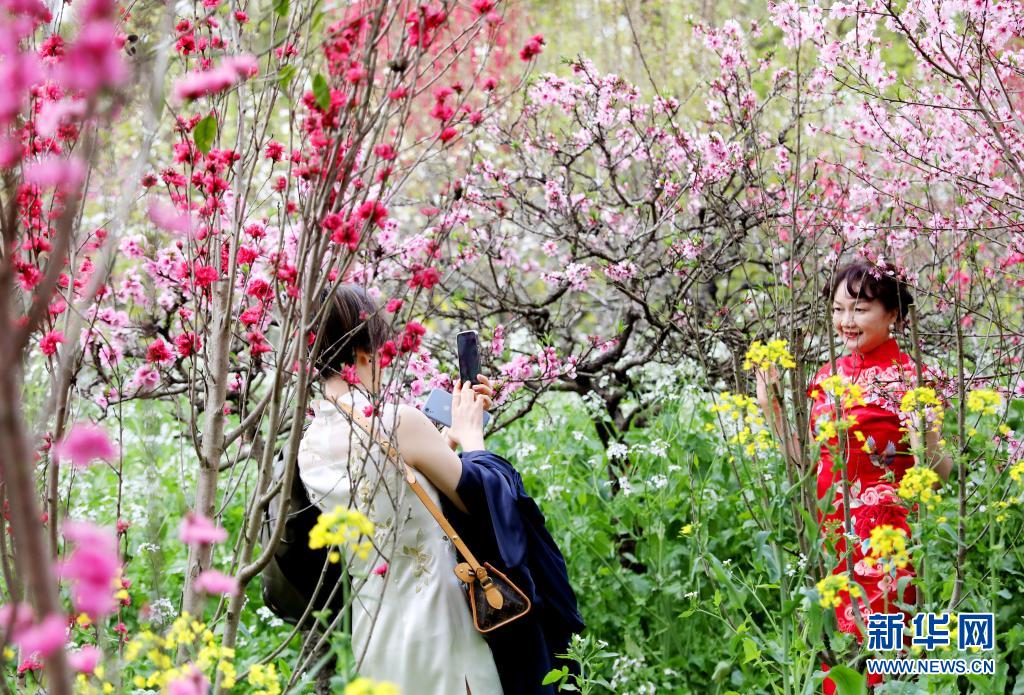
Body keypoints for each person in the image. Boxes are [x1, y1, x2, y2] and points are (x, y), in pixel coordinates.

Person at [756, 261, 953, 694]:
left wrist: (926, 439)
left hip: (886, 545)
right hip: (832, 541)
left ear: (893, 314)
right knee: (836, 662)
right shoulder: (827, 376)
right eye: (838, 309)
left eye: (860, 309)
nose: (846, 321)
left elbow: (940, 474)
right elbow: (809, 462)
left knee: (885, 664)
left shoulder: (915, 377)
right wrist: (772, 407)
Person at [297, 283, 502, 694]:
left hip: (377, 634)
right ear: (364, 350)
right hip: (441, 627)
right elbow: (480, 501)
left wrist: (444, 442)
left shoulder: (309, 446)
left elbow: (389, 488)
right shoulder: (399, 421)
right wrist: (472, 437)